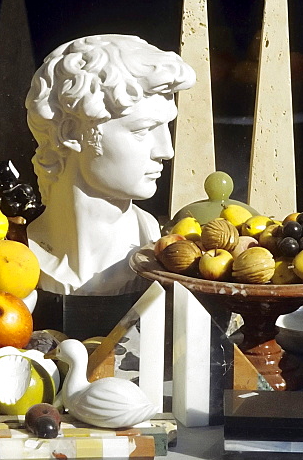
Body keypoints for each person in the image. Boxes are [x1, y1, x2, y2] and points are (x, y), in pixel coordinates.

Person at [26, 35, 195, 295]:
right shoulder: (16, 255)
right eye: (143, 130)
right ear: (72, 132)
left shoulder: (153, 245)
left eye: (166, 128)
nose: (166, 151)